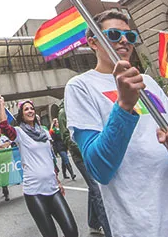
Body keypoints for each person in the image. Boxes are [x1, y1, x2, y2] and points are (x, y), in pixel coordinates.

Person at [65, 10, 168, 237]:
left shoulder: (148, 82)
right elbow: (99, 168)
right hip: (145, 225)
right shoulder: (80, 86)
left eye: (130, 36)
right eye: (113, 34)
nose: (124, 41)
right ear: (93, 42)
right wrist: (123, 106)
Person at [0, 95, 77, 237]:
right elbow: (4, 126)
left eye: (32, 108)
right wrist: (1, 103)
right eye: (26, 109)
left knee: (72, 231)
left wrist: (58, 181)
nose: (30, 111)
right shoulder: (20, 133)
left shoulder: (44, 133)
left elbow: (49, 158)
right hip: (34, 192)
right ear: (22, 114)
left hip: (52, 189)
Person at [58, 100, 111, 236]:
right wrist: (86, 150)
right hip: (81, 156)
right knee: (97, 189)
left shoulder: (82, 106)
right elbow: (66, 137)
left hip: (91, 153)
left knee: (93, 189)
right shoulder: (63, 113)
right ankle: (109, 229)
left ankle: (93, 223)